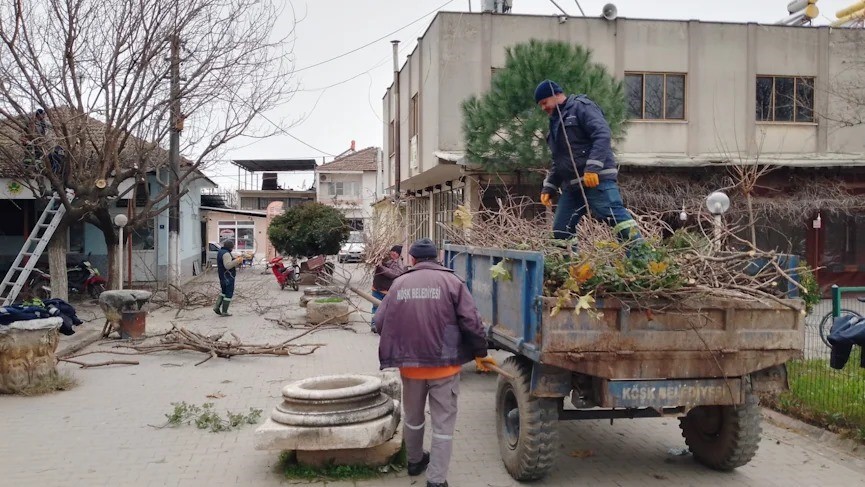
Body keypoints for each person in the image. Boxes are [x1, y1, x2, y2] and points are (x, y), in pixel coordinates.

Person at [374, 238, 496, 487]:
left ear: (413, 259)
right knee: (443, 424)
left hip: (410, 367)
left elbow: (378, 323)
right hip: (445, 365)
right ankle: (436, 480)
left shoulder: (399, 283)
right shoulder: (453, 282)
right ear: (437, 258)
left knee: (413, 418)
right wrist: (480, 353)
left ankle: (415, 461)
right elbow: (472, 323)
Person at [534, 79, 640, 244]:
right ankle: (571, 267)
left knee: (618, 221)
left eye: (544, 102)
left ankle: (641, 256)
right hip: (573, 185)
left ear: (555, 95)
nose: (543, 108)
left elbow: (602, 134)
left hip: (597, 181)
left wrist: (593, 168)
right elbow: (559, 160)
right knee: (561, 230)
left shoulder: (581, 107)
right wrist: (550, 186)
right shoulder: (555, 122)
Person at [370, 244, 405, 332]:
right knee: (375, 307)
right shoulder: (386, 260)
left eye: (396, 252)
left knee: (385, 309)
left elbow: (393, 273)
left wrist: (381, 266)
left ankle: (383, 325)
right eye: (392, 251)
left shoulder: (401, 265)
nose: (393, 253)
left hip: (387, 291)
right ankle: (374, 325)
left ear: (399, 254)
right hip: (376, 288)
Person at [213, 240, 243, 316]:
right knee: (229, 293)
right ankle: (224, 311)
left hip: (222, 276)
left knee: (223, 292)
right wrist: (238, 260)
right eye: (233, 247)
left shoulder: (221, 252)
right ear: (230, 247)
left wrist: (234, 258)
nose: (233, 248)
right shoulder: (226, 254)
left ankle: (216, 307)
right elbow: (227, 265)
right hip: (228, 276)